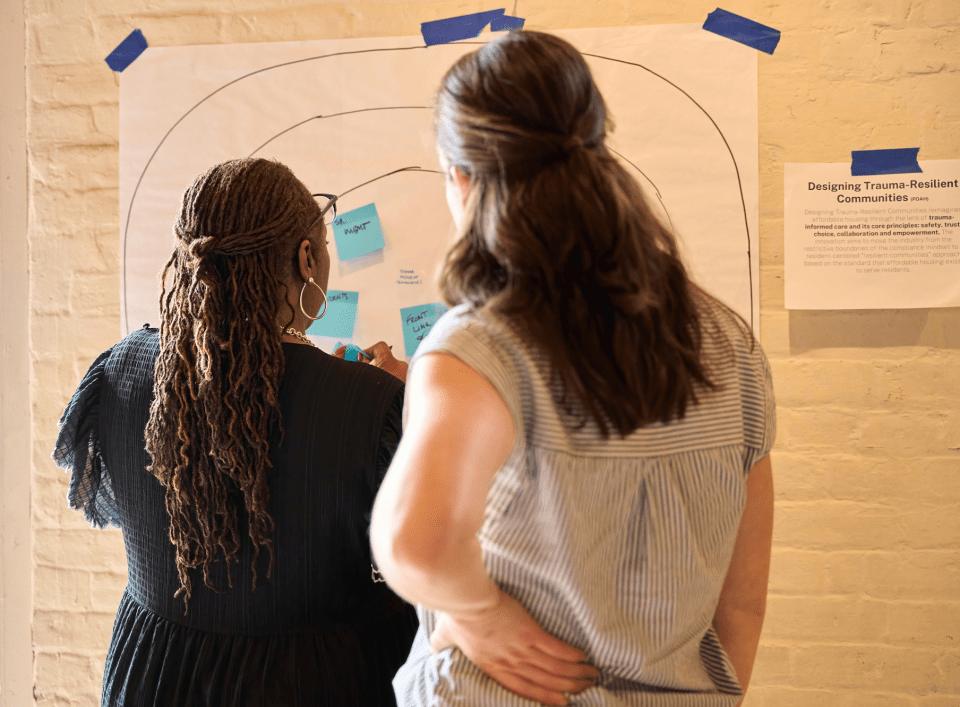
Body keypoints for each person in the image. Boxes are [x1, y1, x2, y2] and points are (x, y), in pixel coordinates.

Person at [370, 31, 775, 707]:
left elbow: (414, 542)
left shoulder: (482, 344)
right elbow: (744, 602)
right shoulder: (728, 341)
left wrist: (479, 612)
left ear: (462, 177)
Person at [53, 157, 417, 706]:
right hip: (317, 682)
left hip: (156, 678)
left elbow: (117, 505)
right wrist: (413, 412)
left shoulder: (120, 371)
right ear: (306, 258)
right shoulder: (376, 403)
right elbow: (424, 558)